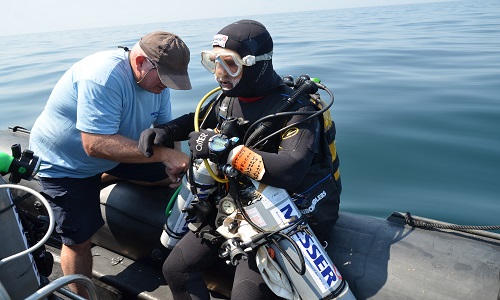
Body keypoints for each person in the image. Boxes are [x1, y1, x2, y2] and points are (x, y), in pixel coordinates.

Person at [139, 20, 342, 299]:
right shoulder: (229, 97)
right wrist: (164, 131)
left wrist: (224, 150)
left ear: (257, 63)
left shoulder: (296, 108)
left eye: (230, 64)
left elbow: (290, 170)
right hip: (237, 205)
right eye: (213, 63)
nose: (220, 74)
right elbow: (199, 119)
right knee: (177, 270)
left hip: (282, 217)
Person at [29, 31, 192, 297]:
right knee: (79, 240)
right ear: (140, 62)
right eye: (164, 80)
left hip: (115, 154)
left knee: (168, 175)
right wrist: (165, 156)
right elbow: (94, 144)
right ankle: (81, 296)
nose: (167, 87)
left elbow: (166, 132)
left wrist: (175, 164)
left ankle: (106, 177)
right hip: (66, 164)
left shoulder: (157, 85)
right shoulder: (103, 76)